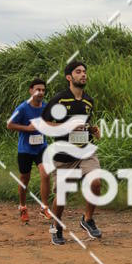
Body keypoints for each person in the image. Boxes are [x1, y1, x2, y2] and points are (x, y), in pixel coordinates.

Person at [41, 61, 102, 246]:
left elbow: (82, 126)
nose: (83, 74)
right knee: (61, 197)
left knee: (96, 182)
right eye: (78, 72)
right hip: (64, 156)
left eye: (85, 71)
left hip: (85, 151)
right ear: (69, 77)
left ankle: (87, 219)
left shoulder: (88, 101)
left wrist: (92, 130)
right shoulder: (59, 100)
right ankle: (56, 225)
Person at [6, 78, 51, 224]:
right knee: (25, 178)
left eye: (43, 90)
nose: (41, 92)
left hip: (41, 147)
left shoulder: (45, 107)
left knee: (45, 173)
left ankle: (44, 207)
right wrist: (28, 128)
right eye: (38, 89)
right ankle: (23, 206)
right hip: (25, 149)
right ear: (31, 90)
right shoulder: (22, 108)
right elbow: (9, 124)